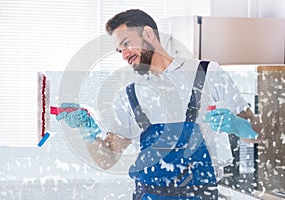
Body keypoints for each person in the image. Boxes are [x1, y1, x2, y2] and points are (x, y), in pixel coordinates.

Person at [56, 9, 263, 200]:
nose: (124, 55)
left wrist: (236, 125)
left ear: (148, 34)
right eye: (120, 51)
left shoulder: (207, 73)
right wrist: (86, 130)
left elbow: (258, 135)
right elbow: (107, 159)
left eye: (127, 44)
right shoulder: (129, 94)